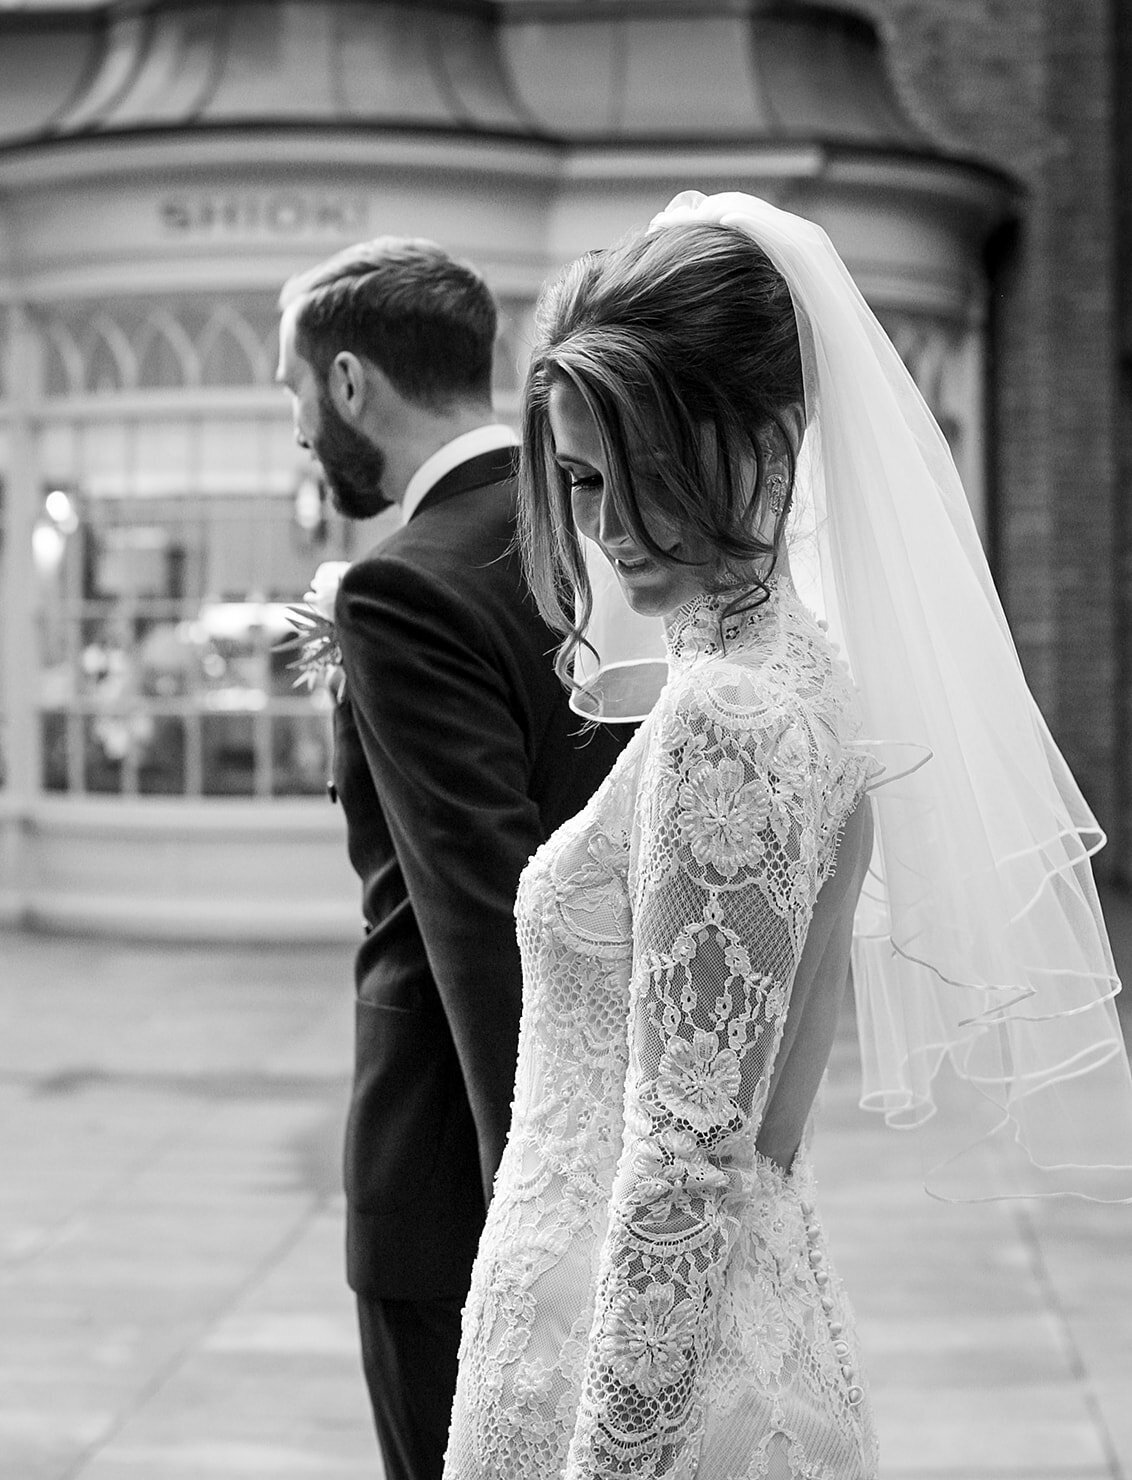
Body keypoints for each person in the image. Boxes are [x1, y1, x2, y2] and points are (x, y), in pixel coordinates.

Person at [441, 192, 1132, 1480]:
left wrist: (612, 1457)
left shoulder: (735, 715)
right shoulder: (801, 680)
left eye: (636, 470)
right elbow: (763, 1133)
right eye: (583, 478)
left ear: (762, 440)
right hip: (664, 1333)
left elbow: (697, 1150)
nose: (603, 523)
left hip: (643, 1375)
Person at [276, 237, 632, 1480]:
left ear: (352, 381)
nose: (300, 434)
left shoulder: (404, 590)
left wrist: (533, 1223)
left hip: (453, 1188)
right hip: (622, 1123)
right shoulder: (605, 545)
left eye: (295, 394)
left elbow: (483, 920)